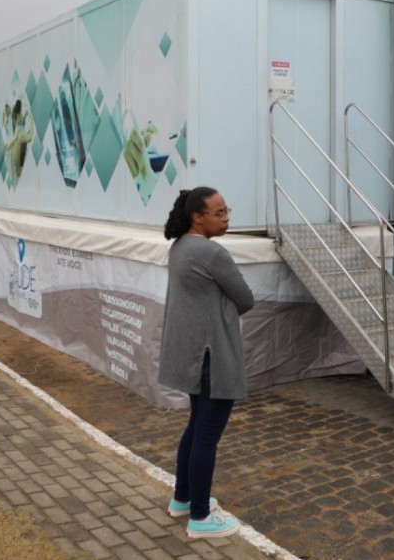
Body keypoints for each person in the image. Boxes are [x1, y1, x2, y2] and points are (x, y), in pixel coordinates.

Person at [158, 187, 255, 539]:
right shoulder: (212, 252)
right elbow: (246, 298)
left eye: (227, 210)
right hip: (213, 355)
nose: (226, 217)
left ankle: (183, 499)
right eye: (219, 213)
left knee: (196, 429)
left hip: (197, 355)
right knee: (206, 438)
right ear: (198, 217)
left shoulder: (180, 246)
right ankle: (200, 518)